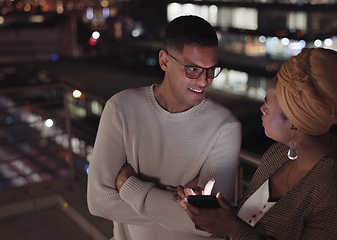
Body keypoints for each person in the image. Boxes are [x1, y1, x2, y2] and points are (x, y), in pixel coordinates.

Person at [175, 48, 337, 239]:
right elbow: (249, 226)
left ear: (295, 122)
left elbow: (240, 231)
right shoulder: (279, 154)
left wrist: (232, 227)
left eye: (268, 105)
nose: (262, 109)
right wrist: (215, 215)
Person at [87, 15, 242, 240]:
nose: (203, 81)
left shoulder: (225, 126)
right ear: (165, 61)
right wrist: (179, 207)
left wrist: (128, 186)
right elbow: (99, 203)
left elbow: (211, 222)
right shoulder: (121, 108)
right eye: (192, 70)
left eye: (210, 70)